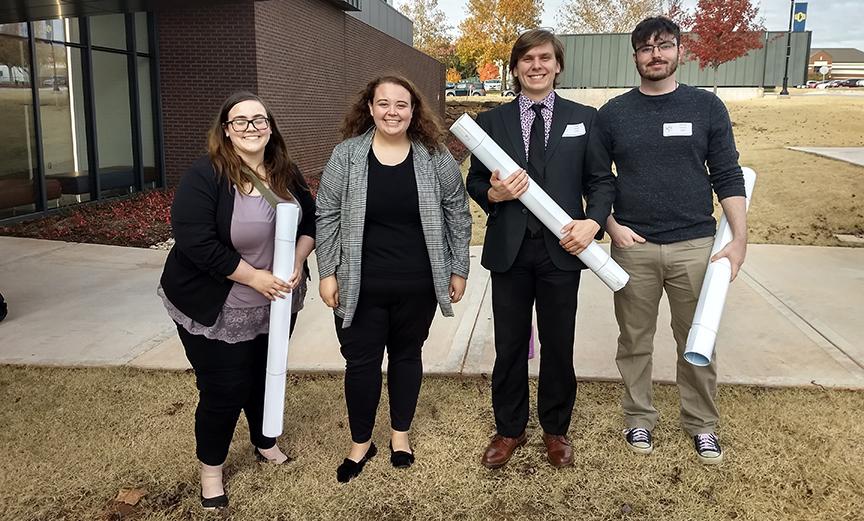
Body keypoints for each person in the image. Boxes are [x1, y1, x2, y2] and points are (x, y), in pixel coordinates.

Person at [593, 17, 747, 465]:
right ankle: (638, 417)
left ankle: (701, 424)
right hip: (632, 247)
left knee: (696, 339)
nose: (655, 54)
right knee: (635, 340)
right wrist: (612, 226)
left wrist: (739, 239)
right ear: (635, 56)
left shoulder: (707, 107)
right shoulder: (614, 114)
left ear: (681, 50)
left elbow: (727, 173)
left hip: (695, 245)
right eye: (645, 48)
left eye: (664, 46)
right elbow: (597, 179)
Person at [466, 29, 616, 469]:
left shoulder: (585, 118)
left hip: (562, 251)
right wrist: (493, 195)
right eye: (527, 58)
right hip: (510, 252)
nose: (537, 65)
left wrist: (593, 223)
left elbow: (601, 181)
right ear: (515, 68)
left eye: (545, 58)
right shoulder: (491, 123)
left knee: (558, 344)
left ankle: (555, 428)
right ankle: (509, 429)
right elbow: (476, 181)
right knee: (509, 344)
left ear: (558, 65)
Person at [158, 92, 316, 508]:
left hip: (277, 300)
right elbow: (196, 241)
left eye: (259, 119)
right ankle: (212, 470)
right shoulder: (205, 175)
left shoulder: (287, 171)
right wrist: (255, 278)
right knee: (225, 388)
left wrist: (297, 260)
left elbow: (311, 220)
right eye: (240, 120)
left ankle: (264, 440)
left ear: (271, 126)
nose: (251, 127)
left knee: (267, 373)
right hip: (218, 303)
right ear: (225, 130)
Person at [316, 74, 471, 483]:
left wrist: (458, 268)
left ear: (413, 110)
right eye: (383, 103)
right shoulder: (347, 155)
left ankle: (399, 436)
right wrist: (327, 272)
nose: (392, 112)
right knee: (361, 363)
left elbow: (457, 211)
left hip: (417, 285)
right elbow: (327, 214)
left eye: (401, 104)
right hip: (359, 286)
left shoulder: (433, 156)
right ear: (369, 108)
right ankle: (360, 443)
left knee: (407, 357)